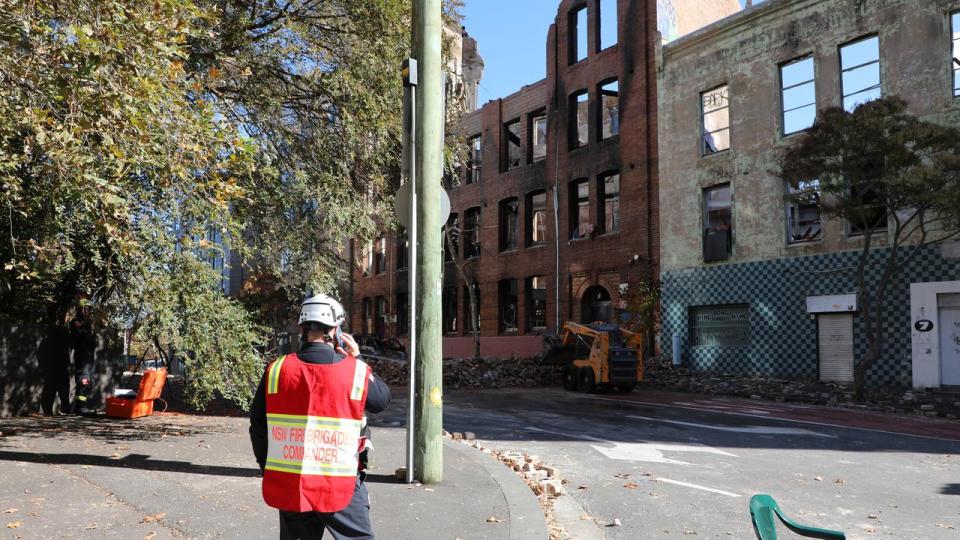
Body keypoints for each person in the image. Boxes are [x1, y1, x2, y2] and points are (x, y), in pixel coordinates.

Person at [249, 294, 391, 540]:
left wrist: (268, 468)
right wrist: (357, 358)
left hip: (293, 484)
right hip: (340, 484)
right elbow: (381, 400)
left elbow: (258, 427)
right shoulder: (354, 370)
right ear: (335, 329)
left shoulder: (277, 369)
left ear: (302, 327)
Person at [38, 315, 71, 416]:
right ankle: (64, 409)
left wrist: (43, 368)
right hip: (58, 369)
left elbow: (40, 356)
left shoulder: (47, 342)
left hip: (52, 370)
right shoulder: (62, 341)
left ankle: (50, 410)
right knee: (62, 390)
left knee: (51, 391)